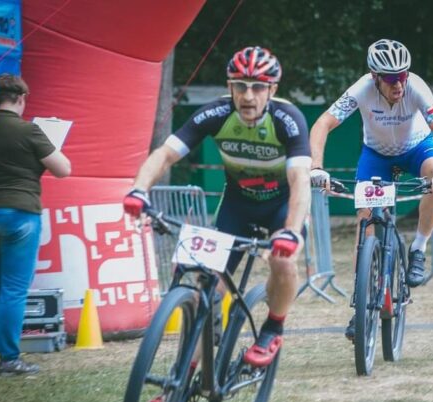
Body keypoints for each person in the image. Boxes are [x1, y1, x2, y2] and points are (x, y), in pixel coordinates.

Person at [123, 46, 311, 369]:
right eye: (240, 86)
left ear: (272, 90)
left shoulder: (288, 119)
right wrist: (139, 190)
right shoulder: (216, 114)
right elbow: (164, 154)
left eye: (257, 87)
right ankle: (182, 380)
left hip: (282, 206)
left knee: (284, 261)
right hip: (237, 208)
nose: (248, 96)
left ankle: (272, 328)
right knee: (205, 285)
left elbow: (299, 180)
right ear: (229, 87)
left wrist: (291, 231)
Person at [309, 39, 433, 340]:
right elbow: (322, 123)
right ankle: (360, 305)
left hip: (417, 149)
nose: (398, 84)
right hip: (377, 157)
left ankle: (418, 248)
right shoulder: (361, 89)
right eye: (390, 78)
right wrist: (316, 168)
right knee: (365, 224)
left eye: (402, 76)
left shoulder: (416, 87)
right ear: (375, 77)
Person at [0, 74, 71, 376]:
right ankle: (10, 360)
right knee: (13, 288)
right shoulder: (31, 130)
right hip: (20, 213)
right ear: (22, 98)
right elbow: (64, 169)